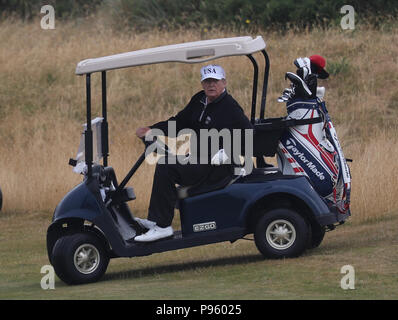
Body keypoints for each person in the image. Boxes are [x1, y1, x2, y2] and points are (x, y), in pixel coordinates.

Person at [134, 64, 253, 242]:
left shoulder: (230, 107)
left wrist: (227, 152)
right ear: (202, 83)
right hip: (199, 159)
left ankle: (163, 227)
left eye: (215, 81)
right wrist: (153, 129)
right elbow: (180, 123)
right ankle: (156, 221)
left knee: (166, 167)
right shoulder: (200, 100)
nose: (211, 85)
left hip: (217, 167)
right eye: (207, 81)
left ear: (224, 82)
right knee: (166, 163)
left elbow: (249, 135)